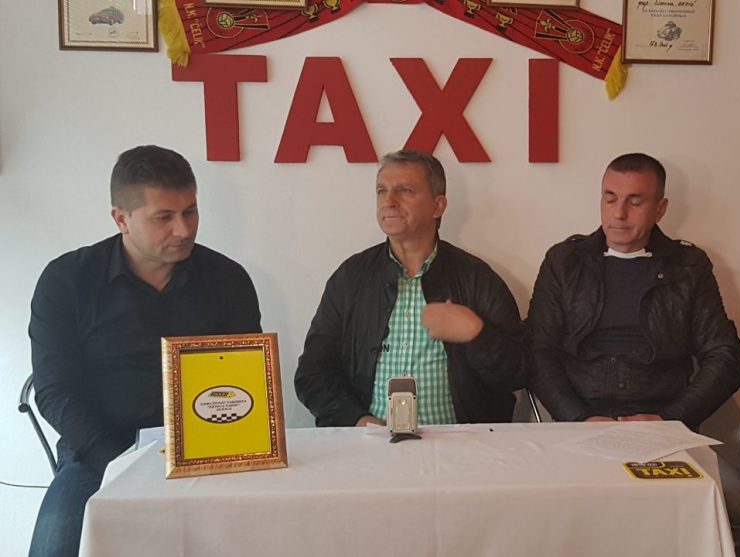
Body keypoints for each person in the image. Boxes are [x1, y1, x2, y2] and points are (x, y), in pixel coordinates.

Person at [28, 145, 262, 557]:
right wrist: (121, 462)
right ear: (122, 218)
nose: (184, 230)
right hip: (98, 454)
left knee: (271, 529)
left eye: (190, 211)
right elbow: (55, 392)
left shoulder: (228, 279)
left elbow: (246, 380)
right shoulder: (67, 280)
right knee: (55, 544)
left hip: (208, 453)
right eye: (164, 217)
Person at [295, 150, 524, 427]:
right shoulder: (350, 278)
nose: (388, 201)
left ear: (438, 206)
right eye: (381, 191)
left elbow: (518, 374)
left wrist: (477, 334)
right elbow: (312, 373)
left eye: (404, 191)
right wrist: (357, 420)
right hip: (369, 442)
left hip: (460, 442)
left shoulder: (476, 278)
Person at [526, 152, 740, 427]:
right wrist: (578, 417)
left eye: (635, 201)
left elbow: (725, 355)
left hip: (662, 420)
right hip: (579, 420)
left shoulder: (688, 266)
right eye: (610, 199)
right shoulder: (564, 261)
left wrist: (670, 419)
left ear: (660, 209)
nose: (619, 213)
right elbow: (538, 349)